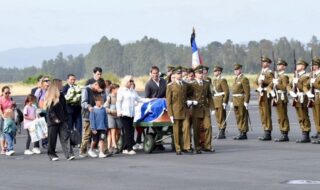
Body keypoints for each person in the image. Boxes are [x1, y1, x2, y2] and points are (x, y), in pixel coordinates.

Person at [116, 75, 150, 155]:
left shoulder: (132, 91)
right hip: (124, 113)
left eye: (132, 81)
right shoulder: (121, 90)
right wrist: (119, 111)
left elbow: (139, 99)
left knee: (131, 131)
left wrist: (149, 100)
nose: (132, 82)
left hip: (131, 113)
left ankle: (125, 148)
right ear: (126, 82)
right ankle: (129, 148)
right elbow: (118, 102)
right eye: (130, 81)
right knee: (127, 131)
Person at [44, 80, 75, 161]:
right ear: (56, 85)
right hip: (53, 122)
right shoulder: (50, 96)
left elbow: (65, 108)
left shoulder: (61, 95)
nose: (62, 85)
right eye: (60, 84)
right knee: (52, 139)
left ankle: (69, 154)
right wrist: (55, 119)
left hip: (62, 120)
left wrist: (66, 118)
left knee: (65, 137)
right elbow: (50, 110)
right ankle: (52, 154)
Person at [166, 66, 192, 155]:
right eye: (178, 73)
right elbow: (168, 102)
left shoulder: (185, 85)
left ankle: (186, 147)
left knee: (186, 128)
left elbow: (190, 94)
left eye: (180, 73)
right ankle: (178, 148)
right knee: (176, 131)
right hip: (175, 111)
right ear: (174, 75)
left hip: (185, 111)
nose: (180, 75)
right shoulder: (170, 86)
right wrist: (170, 115)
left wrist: (190, 100)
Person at [190, 65, 215, 153]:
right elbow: (188, 96)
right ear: (195, 74)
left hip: (205, 109)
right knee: (196, 129)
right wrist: (192, 101)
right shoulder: (191, 84)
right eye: (199, 73)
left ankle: (208, 146)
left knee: (208, 127)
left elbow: (209, 96)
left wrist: (212, 108)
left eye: (201, 73)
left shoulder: (207, 83)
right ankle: (197, 147)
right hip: (196, 109)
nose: (201, 75)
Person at [79, 78, 106, 157]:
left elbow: (101, 100)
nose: (99, 91)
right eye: (99, 89)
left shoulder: (99, 91)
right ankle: (82, 151)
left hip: (98, 116)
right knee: (87, 134)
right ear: (96, 84)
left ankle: (95, 150)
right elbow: (83, 102)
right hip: (87, 115)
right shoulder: (86, 89)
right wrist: (89, 107)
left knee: (98, 134)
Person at [288, 58, 312, 143]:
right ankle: (303, 132)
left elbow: (303, 87)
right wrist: (290, 91)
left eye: (298, 65)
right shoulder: (296, 76)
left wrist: (297, 81)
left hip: (303, 98)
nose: (297, 66)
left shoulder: (306, 76)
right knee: (299, 116)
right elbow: (289, 85)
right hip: (297, 98)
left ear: (303, 66)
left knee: (304, 115)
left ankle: (306, 134)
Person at [144, 66, 167, 150]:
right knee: (157, 127)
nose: (155, 75)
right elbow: (146, 98)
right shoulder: (148, 84)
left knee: (163, 125)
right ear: (150, 74)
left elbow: (167, 93)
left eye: (156, 73)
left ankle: (158, 142)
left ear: (159, 73)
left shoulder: (164, 82)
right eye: (153, 73)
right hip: (153, 107)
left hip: (163, 106)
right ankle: (157, 142)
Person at [269, 58, 290, 142]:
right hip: (277, 97)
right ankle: (282, 131)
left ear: (284, 67)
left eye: (280, 65)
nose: (278, 66)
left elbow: (284, 88)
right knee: (279, 116)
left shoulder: (284, 77)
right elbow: (268, 88)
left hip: (281, 97)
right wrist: (272, 92)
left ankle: (285, 133)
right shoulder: (277, 76)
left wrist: (277, 84)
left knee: (283, 116)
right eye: (277, 65)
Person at [256, 56, 274, 141]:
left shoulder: (269, 72)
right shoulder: (260, 73)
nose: (264, 63)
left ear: (269, 64)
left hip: (266, 94)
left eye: (266, 62)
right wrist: (258, 85)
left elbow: (272, 82)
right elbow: (256, 82)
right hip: (260, 94)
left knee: (266, 113)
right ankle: (265, 129)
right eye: (263, 62)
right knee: (262, 113)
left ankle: (268, 132)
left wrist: (264, 81)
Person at [230, 64, 250, 140]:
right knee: (238, 117)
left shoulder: (244, 79)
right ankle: (240, 130)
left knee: (243, 116)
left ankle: (244, 132)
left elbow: (247, 92)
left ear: (240, 69)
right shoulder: (236, 79)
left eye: (237, 70)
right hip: (235, 100)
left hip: (241, 100)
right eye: (235, 70)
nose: (236, 71)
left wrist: (246, 101)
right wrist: (231, 101)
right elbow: (233, 91)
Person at [62, 74, 82, 139]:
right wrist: (72, 99)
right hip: (69, 111)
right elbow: (65, 98)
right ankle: (70, 141)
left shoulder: (77, 87)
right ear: (67, 80)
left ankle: (78, 141)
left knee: (79, 127)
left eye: (74, 79)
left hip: (77, 110)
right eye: (71, 79)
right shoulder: (64, 88)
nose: (73, 81)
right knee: (70, 127)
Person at [212, 66, 229, 139]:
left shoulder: (222, 80)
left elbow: (226, 92)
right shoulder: (215, 80)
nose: (214, 72)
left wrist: (225, 102)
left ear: (219, 72)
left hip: (221, 100)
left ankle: (222, 132)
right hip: (216, 100)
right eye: (214, 71)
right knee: (217, 117)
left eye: (216, 71)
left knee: (222, 116)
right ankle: (219, 130)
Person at [34, 76, 50, 148]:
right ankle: (44, 142)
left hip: (49, 111)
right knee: (43, 127)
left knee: (49, 127)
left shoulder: (49, 90)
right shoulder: (39, 91)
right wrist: (36, 111)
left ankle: (48, 142)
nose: (47, 82)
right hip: (41, 111)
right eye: (46, 81)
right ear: (42, 83)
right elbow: (35, 101)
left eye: (48, 81)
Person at [105, 84, 121, 153]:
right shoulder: (109, 97)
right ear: (113, 89)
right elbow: (105, 107)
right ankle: (114, 146)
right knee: (113, 130)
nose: (118, 90)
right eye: (117, 89)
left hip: (118, 115)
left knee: (119, 132)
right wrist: (111, 111)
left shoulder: (119, 97)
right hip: (111, 116)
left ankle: (113, 144)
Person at [0, 86, 15, 154]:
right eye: (6, 93)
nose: (8, 94)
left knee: (9, 132)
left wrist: (13, 107)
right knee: (3, 133)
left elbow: (12, 108)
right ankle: (3, 149)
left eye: (9, 92)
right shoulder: (0, 99)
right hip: (2, 118)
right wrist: (3, 117)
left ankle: (6, 147)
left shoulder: (10, 99)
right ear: (2, 92)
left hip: (9, 118)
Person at [310, 57, 320, 140]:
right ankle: (318, 130)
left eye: (315, 65)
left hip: (319, 95)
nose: (313, 66)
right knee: (315, 115)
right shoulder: (312, 74)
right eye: (313, 65)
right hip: (313, 96)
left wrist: (314, 83)